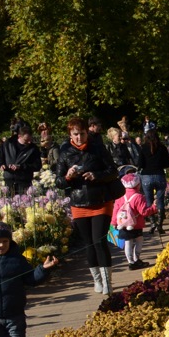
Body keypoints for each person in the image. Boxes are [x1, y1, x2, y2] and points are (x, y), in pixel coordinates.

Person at [57, 117, 121, 294]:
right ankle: (97, 280)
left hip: (101, 200)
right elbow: (58, 181)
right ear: (70, 134)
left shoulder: (98, 149)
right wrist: (68, 176)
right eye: (75, 134)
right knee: (88, 244)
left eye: (82, 134)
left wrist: (96, 175)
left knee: (99, 241)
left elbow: (113, 171)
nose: (79, 138)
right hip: (78, 203)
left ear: (87, 132)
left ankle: (108, 282)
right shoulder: (65, 153)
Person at [111, 173, 157, 270]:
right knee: (139, 240)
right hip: (136, 224)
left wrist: (114, 223)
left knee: (128, 242)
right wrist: (154, 207)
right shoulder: (139, 197)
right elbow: (144, 212)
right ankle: (136, 259)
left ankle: (130, 262)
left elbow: (115, 211)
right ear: (138, 185)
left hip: (123, 224)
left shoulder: (120, 197)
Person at [136, 130, 169, 233]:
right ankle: (160, 226)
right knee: (160, 201)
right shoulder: (162, 148)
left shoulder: (143, 148)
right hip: (159, 175)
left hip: (146, 176)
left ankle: (152, 224)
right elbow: (167, 164)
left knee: (149, 201)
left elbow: (140, 164)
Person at [0, 121, 42, 195]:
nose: (29, 142)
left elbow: (37, 166)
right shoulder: (7, 144)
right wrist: (1, 164)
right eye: (26, 140)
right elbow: (0, 157)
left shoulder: (33, 148)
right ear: (19, 136)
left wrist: (21, 166)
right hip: (9, 180)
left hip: (24, 181)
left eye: (30, 139)